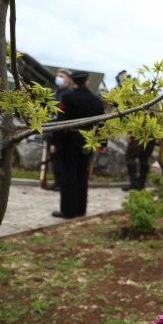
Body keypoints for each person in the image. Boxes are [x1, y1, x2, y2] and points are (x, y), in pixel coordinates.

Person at [51, 70, 104, 218]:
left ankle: (68, 211)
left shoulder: (67, 97)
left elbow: (61, 122)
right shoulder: (97, 101)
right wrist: (102, 143)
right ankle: (81, 209)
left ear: (73, 81)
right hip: (88, 141)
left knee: (69, 175)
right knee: (82, 175)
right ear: (86, 81)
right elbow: (101, 124)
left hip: (70, 140)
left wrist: (55, 141)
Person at [45, 68, 75, 192]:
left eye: (62, 76)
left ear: (68, 79)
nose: (59, 78)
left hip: (61, 132)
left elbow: (63, 117)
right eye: (58, 75)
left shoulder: (68, 95)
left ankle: (61, 183)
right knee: (54, 160)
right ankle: (57, 182)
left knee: (60, 160)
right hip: (51, 130)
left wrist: (55, 140)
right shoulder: (55, 93)